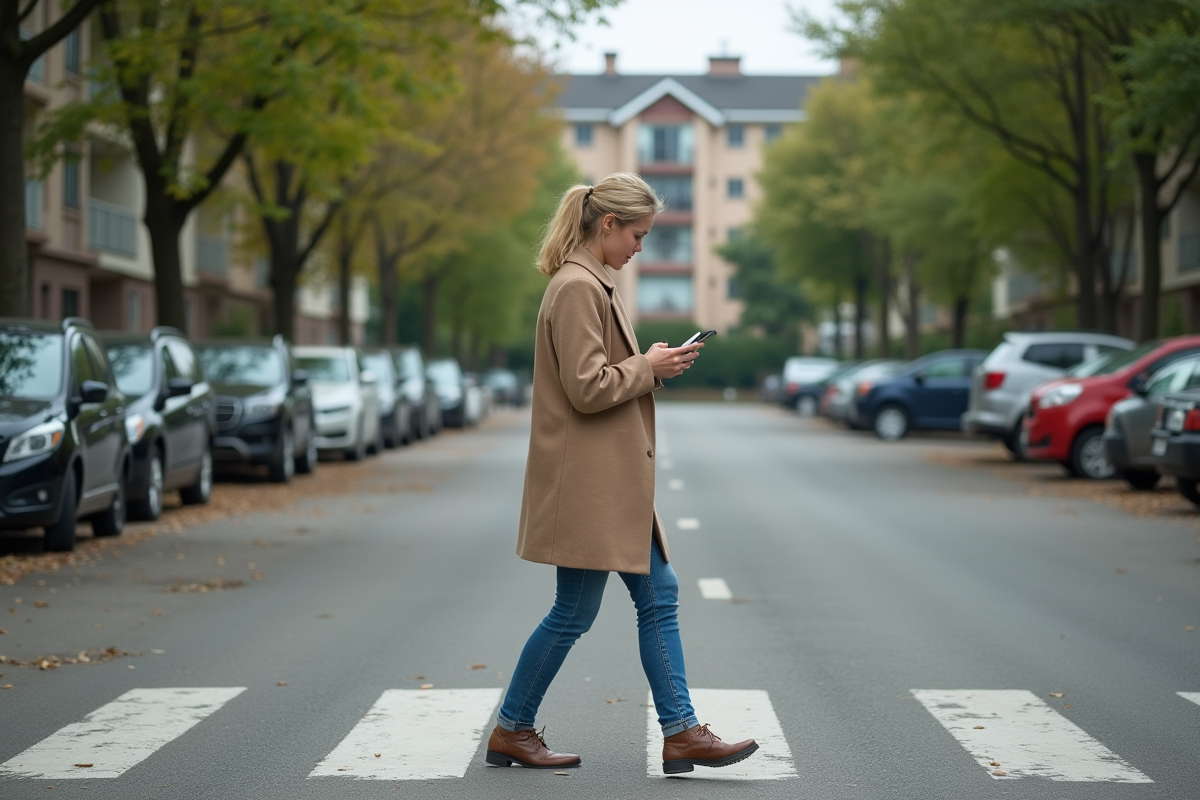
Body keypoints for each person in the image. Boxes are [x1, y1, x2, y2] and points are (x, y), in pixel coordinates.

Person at [485, 172, 758, 775]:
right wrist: (649, 367)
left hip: (604, 482)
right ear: (607, 224)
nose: (640, 247)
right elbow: (587, 388)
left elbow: (602, 377)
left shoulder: (592, 282)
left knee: (656, 595)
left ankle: (680, 732)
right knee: (576, 613)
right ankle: (513, 728)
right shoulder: (577, 287)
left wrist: (651, 365)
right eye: (637, 235)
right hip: (590, 485)